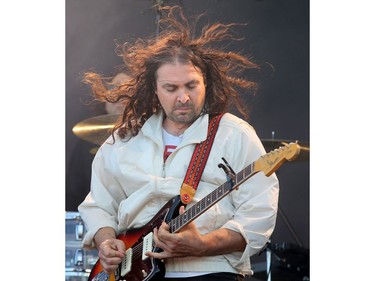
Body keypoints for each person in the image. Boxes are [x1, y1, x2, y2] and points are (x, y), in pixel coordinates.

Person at [78, 5, 279, 281]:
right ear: (155, 88)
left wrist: (203, 245)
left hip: (210, 270)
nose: (183, 97)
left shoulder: (235, 134)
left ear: (205, 82)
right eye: (171, 89)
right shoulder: (123, 140)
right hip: (131, 272)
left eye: (191, 85)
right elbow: (99, 205)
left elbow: (257, 215)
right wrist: (105, 240)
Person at [66, 72, 130, 212]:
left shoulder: (151, 138)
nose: (121, 95)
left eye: (129, 89)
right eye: (115, 88)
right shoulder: (86, 142)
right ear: (103, 98)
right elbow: (73, 194)